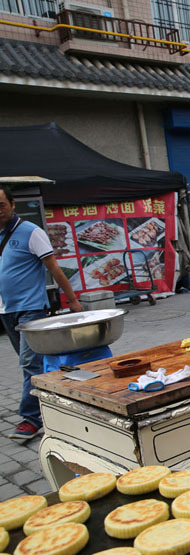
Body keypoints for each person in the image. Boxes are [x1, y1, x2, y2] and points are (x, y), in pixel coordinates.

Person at [0, 185, 83, 441]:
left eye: (1, 205)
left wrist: (72, 300)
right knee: (33, 365)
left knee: (29, 362)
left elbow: (55, 270)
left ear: (13, 204)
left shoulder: (30, 232)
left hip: (31, 308)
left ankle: (31, 418)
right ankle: (57, 401)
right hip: (6, 310)